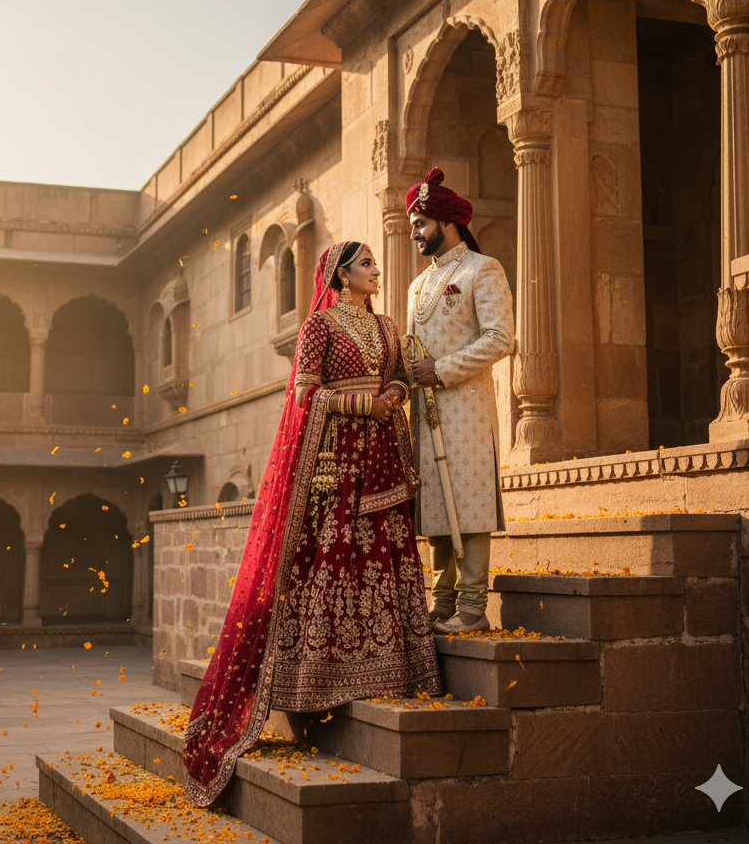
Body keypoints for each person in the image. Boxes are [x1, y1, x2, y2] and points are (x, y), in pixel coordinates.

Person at [183, 241, 442, 807]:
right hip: (333, 462)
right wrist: (360, 407)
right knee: (334, 555)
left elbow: (400, 374)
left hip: (381, 459)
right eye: (367, 265)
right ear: (343, 275)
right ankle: (322, 671)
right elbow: (304, 392)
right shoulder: (319, 327)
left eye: (376, 263)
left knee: (387, 550)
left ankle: (392, 664)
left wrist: (393, 394)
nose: (376, 271)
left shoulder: (389, 324)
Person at [406, 167, 515, 634]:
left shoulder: (481, 269)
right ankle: (442, 603)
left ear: (446, 222)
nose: (414, 233)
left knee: (467, 502)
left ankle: (473, 607)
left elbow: (500, 338)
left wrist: (442, 370)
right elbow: (413, 345)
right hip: (424, 412)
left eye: (420, 224)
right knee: (433, 504)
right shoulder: (417, 285)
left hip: (465, 406)